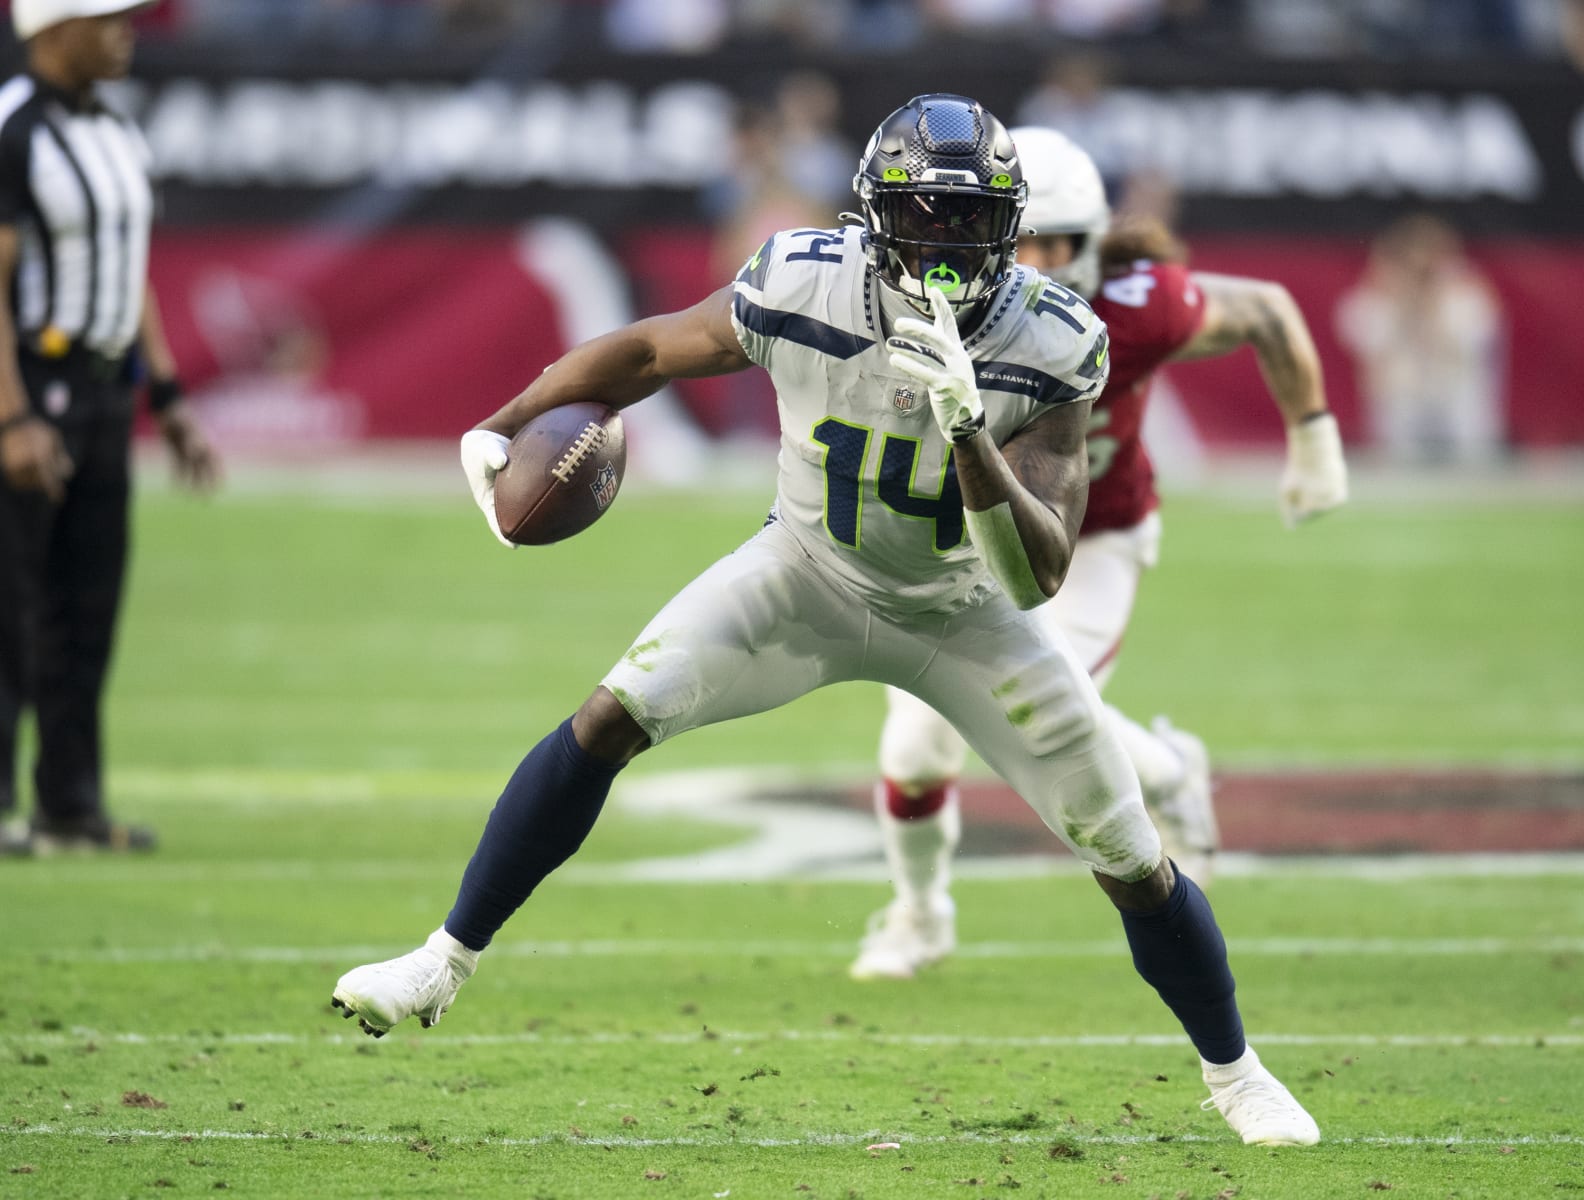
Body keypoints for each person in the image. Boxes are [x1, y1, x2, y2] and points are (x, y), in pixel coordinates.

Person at [331, 94, 1320, 1147]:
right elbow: (652, 352)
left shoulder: (1056, 335)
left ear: (1008, 220)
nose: (945, 240)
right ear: (875, 214)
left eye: (968, 216)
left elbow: (1037, 572)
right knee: (611, 715)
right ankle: (441, 961)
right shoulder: (804, 277)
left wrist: (969, 431)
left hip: (967, 614)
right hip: (804, 572)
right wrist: (505, 422)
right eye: (925, 214)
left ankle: (1238, 1075)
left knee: (1131, 857)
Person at [850, 126, 1346, 981]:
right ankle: (919, 913)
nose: (1038, 261)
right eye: (1024, 238)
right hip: (965, 543)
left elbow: (1265, 308)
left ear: (1093, 243)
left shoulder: (1137, 304)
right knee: (916, 749)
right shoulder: (928, 299)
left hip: (1095, 536)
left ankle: (1168, 772)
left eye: (1058, 242)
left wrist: (1314, 437)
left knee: (1044, 709)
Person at [0, 0, 219, 856]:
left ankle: (68, 804)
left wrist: (165, 397)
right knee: (11, 608)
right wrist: (11, 416)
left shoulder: (117, 134)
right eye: (110, 19)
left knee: (87, 607)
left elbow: (128, 280)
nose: (129, 31)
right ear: (54, 29)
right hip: (30, 383)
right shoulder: (15, 129)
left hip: (99, 392)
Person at [1336, 213, 1504, 466]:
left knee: (1472, 461)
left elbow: (1473, 340)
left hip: (1456, 396)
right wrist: (1400, 302)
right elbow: (1365, 344)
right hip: (1402, 401)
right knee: (1398, 457)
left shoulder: (1466, 295)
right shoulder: (1374, 298)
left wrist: (1434, 305)